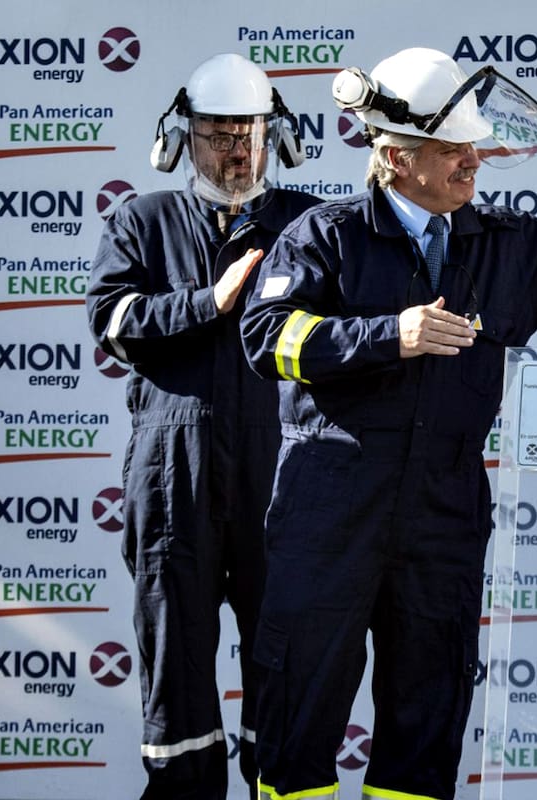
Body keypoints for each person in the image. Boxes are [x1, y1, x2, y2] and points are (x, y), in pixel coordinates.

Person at [237, 47, 537, 800]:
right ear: (394, 158)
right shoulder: (327, 236)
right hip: (329, 508)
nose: (472, 160)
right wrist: (391, 334)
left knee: (429, 717)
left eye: (475, 145)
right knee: (299, 717)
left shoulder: (509, 244)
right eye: (453, 148)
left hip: (443, 513)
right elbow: (267, 339)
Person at [85, 54, 320, 800]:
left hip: (278, 469)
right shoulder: (142, 219)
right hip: (172, 470)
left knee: (280, 653)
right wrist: (206, 303)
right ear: (182, 139)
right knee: (175, 653)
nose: (234, 150)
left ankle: (273, 784)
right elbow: (113, 321)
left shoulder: (306, 221)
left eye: (247, 133)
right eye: (217, 134)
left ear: (275, 137)